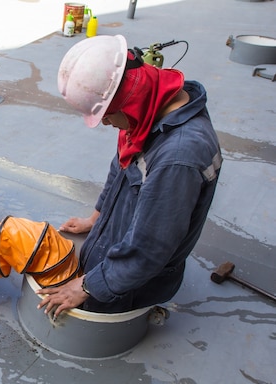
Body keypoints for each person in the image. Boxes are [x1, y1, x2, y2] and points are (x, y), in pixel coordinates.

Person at [37, 34, 222, 317]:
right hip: (117, 247)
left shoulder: (178, 158)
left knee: (93, 314)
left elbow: (149, 250)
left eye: (107, 115)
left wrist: (86, 287)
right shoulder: (150, 107)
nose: (107, 123)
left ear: (127, 99)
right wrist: (95, 219)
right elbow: (121, 168)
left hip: (135, 283)